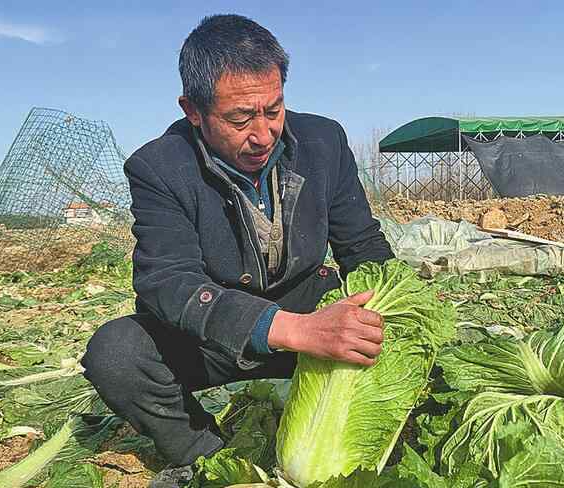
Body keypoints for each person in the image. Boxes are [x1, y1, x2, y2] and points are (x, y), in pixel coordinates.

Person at [81, 14, 393, 488]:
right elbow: (168, 282)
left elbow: (363, 245)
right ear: (193, 110)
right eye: (240, 118)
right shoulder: (158, 168)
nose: (263, 134)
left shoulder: (324, 142)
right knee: (117, 353)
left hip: (311, 311)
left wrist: (393, 309)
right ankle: (206, 453)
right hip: (216, 336)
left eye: (273, 109)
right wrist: (290, 330)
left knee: (383, 325)